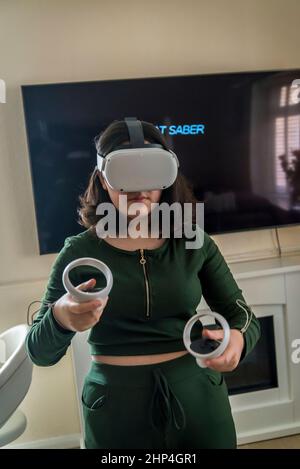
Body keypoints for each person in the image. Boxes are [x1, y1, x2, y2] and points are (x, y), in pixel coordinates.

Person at [25, 119, 261, 449]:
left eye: (150, 172)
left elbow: (242, 316)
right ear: (104, 180)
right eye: (125, 174)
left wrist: (237, 339)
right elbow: (39, 350)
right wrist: (61, 317)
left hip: (198, 401)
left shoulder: (193, 242)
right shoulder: (80, 251)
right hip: (115, 410)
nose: (140, 188)